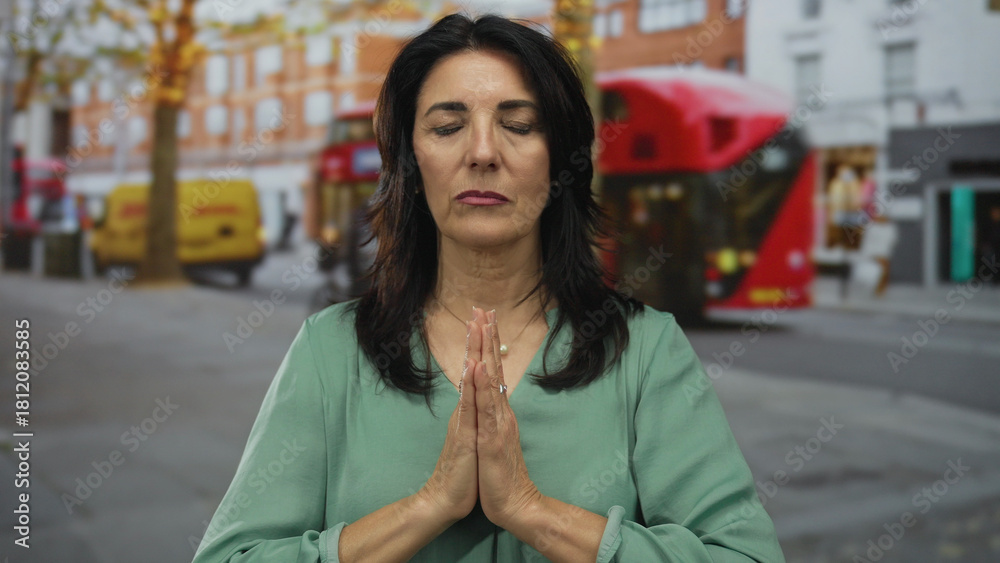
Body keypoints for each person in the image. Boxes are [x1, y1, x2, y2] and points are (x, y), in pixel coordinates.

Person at [192, 13, 784, 563]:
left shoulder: (644, 351)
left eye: (519, 125)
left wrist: (534, 513)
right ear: (409, 161)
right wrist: (426, 509)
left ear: (560, 159)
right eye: (448, 127)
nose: (482, 152)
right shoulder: (331, 349)